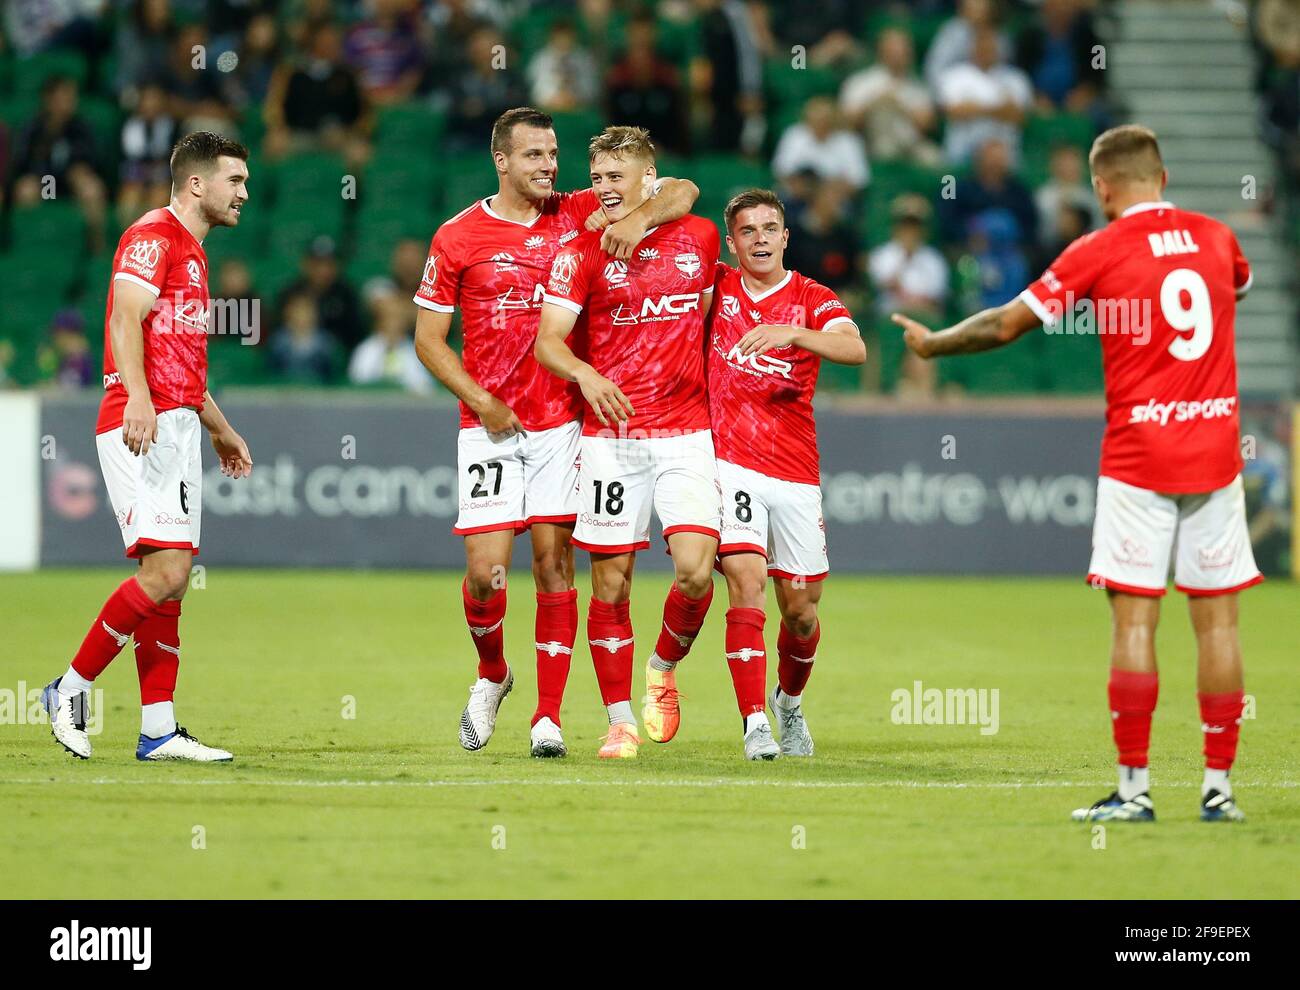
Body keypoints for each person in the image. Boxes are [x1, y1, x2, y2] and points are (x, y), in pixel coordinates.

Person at [893, 125, 1259, 824]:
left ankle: (1134, 790)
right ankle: (1219, 790)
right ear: (1165, 175)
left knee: (1136, 622)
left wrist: (934, 345)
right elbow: (1234, 290)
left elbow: (1006, 325)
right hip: (1215, 453)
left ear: (1100, 188)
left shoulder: (1099, 248)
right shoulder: (1217, 238)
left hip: (1138, 457)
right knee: (1218, 626)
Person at [414, 109, 698, 758]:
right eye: (535, 155)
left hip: (562, 422)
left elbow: (682, 190)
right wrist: (480, 399)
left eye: (553, 153)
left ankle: (547, 718)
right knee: (486, 575)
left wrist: (636, 219)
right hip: (489, 425)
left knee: (552, 564)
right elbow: (427, 341)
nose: (549, 165)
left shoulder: (576, 211)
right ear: (502, 162)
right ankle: (493, 675)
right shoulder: (458, 236)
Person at [40, 131, 253, 763]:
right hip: (142, 424)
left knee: (170, 583)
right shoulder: (152, 235)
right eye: (234, 180)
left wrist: (219, 426)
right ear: (197, 183)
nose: (245, 191)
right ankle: (69, 688)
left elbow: (180, 359)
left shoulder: (194, 251)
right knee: (167, 571)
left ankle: (158, 728)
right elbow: (123, 319)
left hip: (179, 424)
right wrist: (136, 396)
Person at [535, 126, 724, 761]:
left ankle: (663, 666)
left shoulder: (697, 237)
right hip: (612, 439)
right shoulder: (578, 250)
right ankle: (619, 721)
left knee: (698, 573)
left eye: (618, 176)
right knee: (611, 583)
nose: (604, 189)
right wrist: (586, 374)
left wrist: (645, 215)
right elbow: (550, 341)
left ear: (649, 177)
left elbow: (690, 192)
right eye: (597, 178)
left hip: (686, 432)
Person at [707, 188, 864, 757]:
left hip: (795, 471)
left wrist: (793, 333)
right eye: (748, 231)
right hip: (730, 463)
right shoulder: (717, 288)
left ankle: (788, 703)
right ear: (733, 242)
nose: (761, 239)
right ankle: (754, 724)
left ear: (786, 237)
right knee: (746, 583)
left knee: (800, 611)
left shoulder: (810, 296)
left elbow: (855, 349)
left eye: (770, 228)